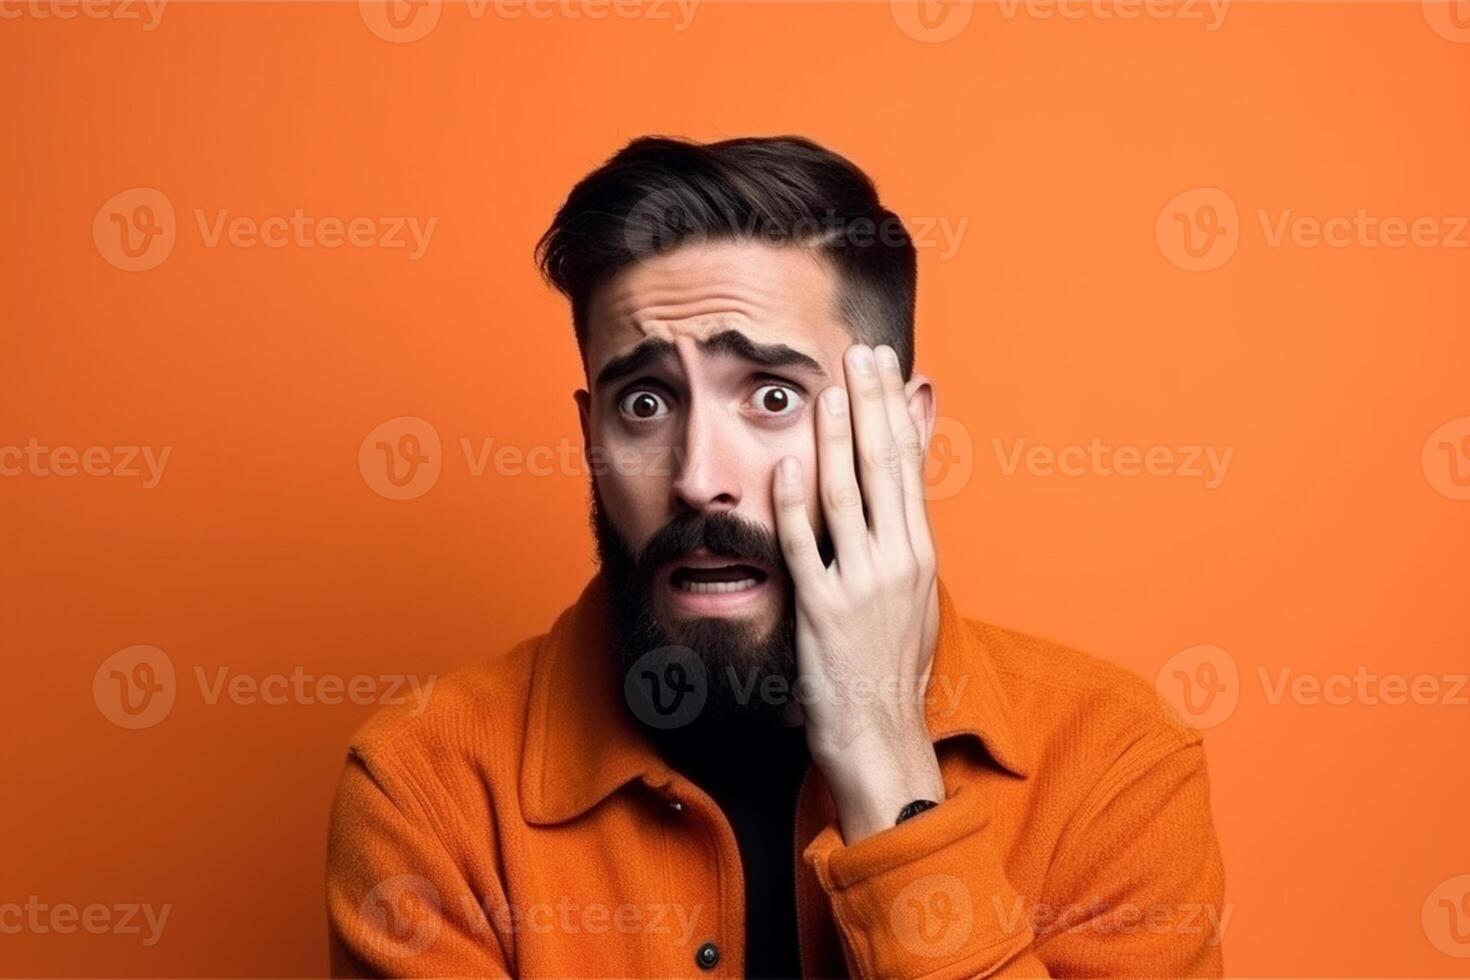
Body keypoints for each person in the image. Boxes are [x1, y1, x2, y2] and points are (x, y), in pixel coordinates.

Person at [326, 134, 1226, 977]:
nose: (697, 478)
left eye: (769, 394)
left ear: (899, 433)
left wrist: (889, 773)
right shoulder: (429, 785)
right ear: (590, 435)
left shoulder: (1114, 764)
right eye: (643, 403)